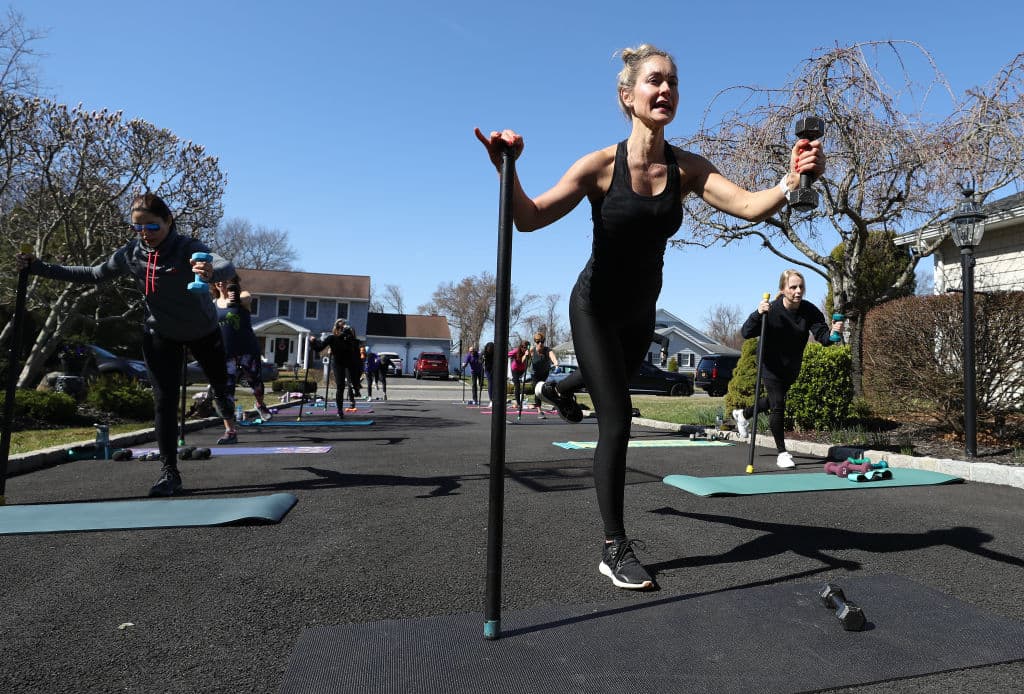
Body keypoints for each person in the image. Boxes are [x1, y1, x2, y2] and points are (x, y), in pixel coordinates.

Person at [475, 43, 824, 590]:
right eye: (654, 80)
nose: (666, 90)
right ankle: (614, 547)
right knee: (617, 419)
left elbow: (748, 205)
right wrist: (507, 168)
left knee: (609, 387)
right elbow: (528, 216)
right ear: (627, 94)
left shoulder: (687, 168)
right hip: (594, 308)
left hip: (640, 316)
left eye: (673, 82)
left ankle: (559, 390)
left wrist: (791, 179)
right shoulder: (598, 167)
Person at [16, 192, 239, 497]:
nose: (145, 234)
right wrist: (39, 267)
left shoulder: (189, 248)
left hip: (203, 331)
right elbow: (94, 274)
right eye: (138, 227)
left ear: (168, 221)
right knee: (164, 402)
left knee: (220, 384)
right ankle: (169, 472)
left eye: (152, 226)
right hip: (160, 333)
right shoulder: (132, 254)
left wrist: (211, 272)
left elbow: (225, 265)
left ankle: (224, 401)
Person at [732, 269, 844, 468]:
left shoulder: (809, 311)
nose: (798, 291)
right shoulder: (771, 310)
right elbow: (746, 332)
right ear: (783, 289)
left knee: (773, 401)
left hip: (791, 365)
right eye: (793, 287)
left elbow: (823, 337)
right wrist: (758, 313)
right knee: (778, 405)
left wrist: (833, 333)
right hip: (769, 363)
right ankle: (782, 453)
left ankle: (743, 414)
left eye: (801, 287)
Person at [211, 275, 273, 426]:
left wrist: (235, 298)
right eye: (218, 279)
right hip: (226, 353)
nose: (221, 282)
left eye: (225, 279)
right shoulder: (213, 304)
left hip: (247, 349)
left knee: (256, 382)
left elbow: (247, 298)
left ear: (231, 282)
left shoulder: (242, 296)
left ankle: (260, 405)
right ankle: (230, 430)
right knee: (227, 390)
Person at [309, 319, 362, 416]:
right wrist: (312, 341)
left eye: (344, 327)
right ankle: (339, 409)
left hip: (349, 363)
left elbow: (356, 349)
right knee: (340, 386)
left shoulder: (350, 340)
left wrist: (349, 334)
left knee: (352, 381)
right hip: (338, 364)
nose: (342, 329)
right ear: (336, 328)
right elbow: (319, 348)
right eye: (340, 327)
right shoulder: (332, 338)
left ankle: (356, 388)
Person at [528, 332, 559, 418]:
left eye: (542, 341)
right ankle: (539, 410)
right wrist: (526, 355)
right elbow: (523, 359)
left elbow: (553, 357)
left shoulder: (547, 350)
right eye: (538, 342)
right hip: (534, 373)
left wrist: (556, 364)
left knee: (542, 389)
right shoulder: (532, 349)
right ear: (535, 342)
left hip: (544, 372)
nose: (540, 344)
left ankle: (552, 403)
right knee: (537, 389)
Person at [507, 340, 530, 415]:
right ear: (521, 347)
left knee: (520, 384)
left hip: (522, 370)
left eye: (526, 348)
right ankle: (518, 403)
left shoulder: (528, 352)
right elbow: (507, 354)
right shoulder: (516, 351)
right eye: (524, 347)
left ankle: (520, 401)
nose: (525, 349)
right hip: (515, 369)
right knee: (517, 385)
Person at [482, 342, 495, 408]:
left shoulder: (495, 353)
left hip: (494, 369)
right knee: (490, 383)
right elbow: (479, 361)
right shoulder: (484, 353)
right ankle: (491, 400)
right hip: (488, 369)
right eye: (488, 349)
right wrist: (482, 359)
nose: (489, 350)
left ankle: (495, 398)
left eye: (491, 349)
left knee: (495, 383)